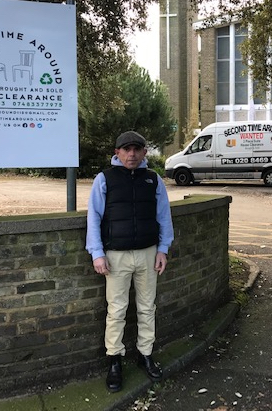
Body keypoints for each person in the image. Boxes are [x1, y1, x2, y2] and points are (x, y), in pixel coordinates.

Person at [86, 130, 174, 393]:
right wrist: (97, 253)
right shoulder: (105, 179)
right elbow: (93, 217)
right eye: (126, 149)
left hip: (148, 253)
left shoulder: (153, 180)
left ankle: (145, 353)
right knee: (117, 310)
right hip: (116, 256)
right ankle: (115, 359)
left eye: (137, 149)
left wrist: (163, 249)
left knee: (147, 307)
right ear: (117, 152)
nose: (132, 154)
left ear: (144, 152)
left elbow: (164, 216)